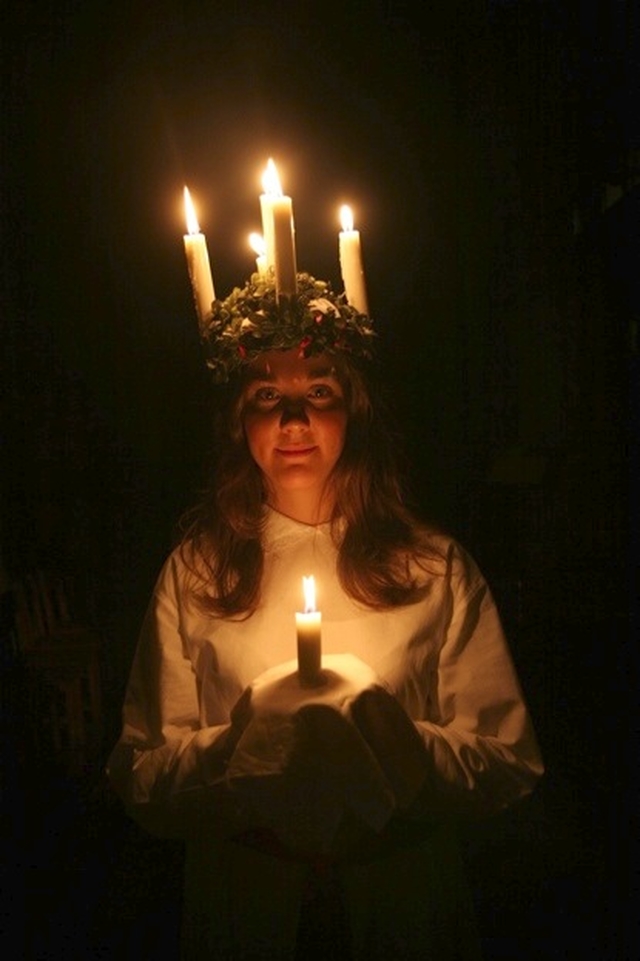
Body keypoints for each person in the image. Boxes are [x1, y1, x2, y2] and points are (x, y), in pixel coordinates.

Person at [107, 273, 544, 960]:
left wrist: (392, 740)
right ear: (236, 420)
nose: (293, 420)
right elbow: (141, 776)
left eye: (318, 391)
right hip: (249, 901)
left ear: (355, 411)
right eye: (266, 396)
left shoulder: (434, 568)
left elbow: (507, 761)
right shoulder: (196, 575)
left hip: (402, 900)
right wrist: (247, 745)